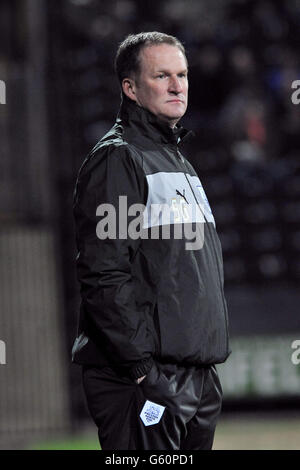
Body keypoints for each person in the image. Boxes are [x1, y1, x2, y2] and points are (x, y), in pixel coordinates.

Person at [71, 31, 230, 451]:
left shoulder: (176, 158)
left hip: (193, 378)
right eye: (162, 76)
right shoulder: (119, 158)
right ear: (131, 88)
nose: (178, 86)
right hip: (145, 378)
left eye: (182, 74)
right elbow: (103, 272)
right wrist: (142, 370)